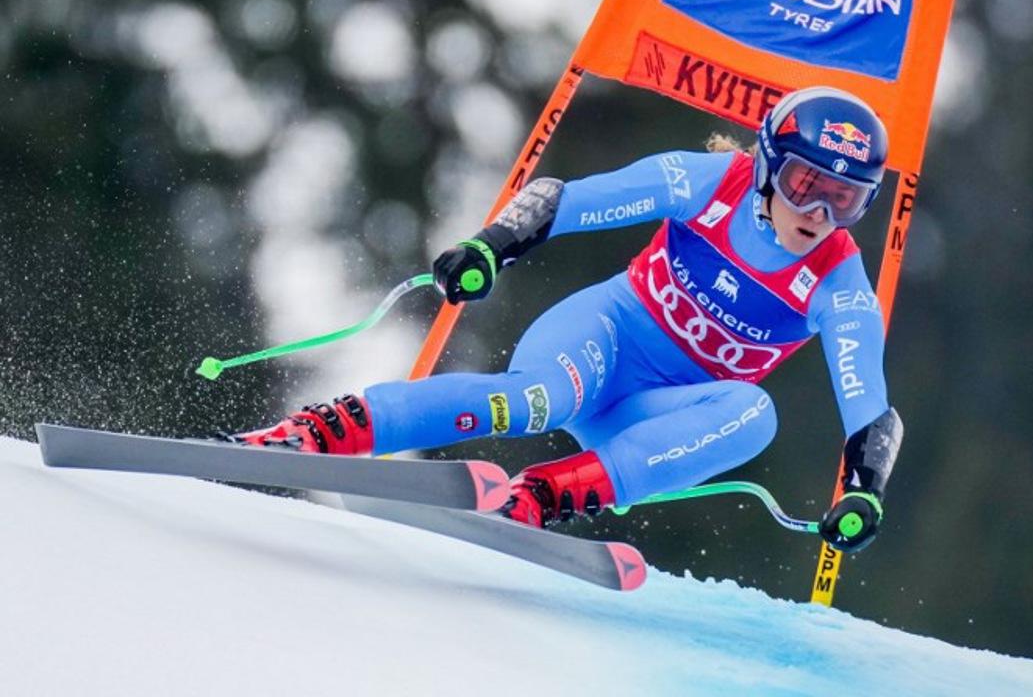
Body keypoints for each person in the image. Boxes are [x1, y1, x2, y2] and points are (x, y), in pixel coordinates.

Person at [235, 86, 905, 553]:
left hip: (645, 415)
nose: (818, 217)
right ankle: (320, 431)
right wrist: (491, 246)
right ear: (766, 167)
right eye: (805, 187)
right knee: (538, 401)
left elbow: (870, 412)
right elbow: (568, 201)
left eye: (845, 202)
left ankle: (544, 497)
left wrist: (865, 494)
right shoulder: (712, 182)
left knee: (753, 416)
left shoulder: (839, 285)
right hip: (601, 340)